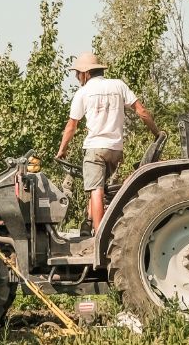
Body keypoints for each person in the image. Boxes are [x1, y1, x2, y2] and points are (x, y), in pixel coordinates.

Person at [56, 52, 160, 234]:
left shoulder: (83, 92)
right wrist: (157, 133)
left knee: (96, 190)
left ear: (86, 73)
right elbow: (141, 111)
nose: (77, 77)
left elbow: (72, 125)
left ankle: (100, 235)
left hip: (95, 148)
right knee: (103, 189)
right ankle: (89, 225)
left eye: (77, 74)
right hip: (115, 149)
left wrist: (62, 150)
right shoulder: (118, 85)